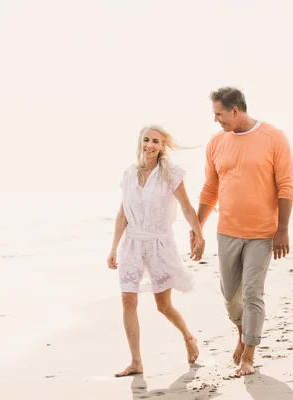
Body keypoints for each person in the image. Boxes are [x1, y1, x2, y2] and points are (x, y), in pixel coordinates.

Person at [191, 87, 293, 376]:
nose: (216, 120)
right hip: (227, 231)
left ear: (235, 110)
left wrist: (282, 230)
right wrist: (197, 226)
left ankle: (249, 355)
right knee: (229, 296)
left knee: (252, 292)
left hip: (263, 233)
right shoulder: (216, 143)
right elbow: (210, 188)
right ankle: (242, 331)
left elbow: (286, 186)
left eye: (219, 114)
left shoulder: (274, 137)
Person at [107, 125, 206, 377]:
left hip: (160, 245)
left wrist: (199, 235)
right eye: (146, 140)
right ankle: (136, 361)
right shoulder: (129, 174)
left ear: (162, 146)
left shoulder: (169, 173)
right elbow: (122, 215)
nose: (150, 145)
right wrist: (113, 248)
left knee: (163, 306)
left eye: (156, 141)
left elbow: (186, 207)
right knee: (128, 300)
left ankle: (188, 337)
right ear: (140, 142)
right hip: (132, 244)